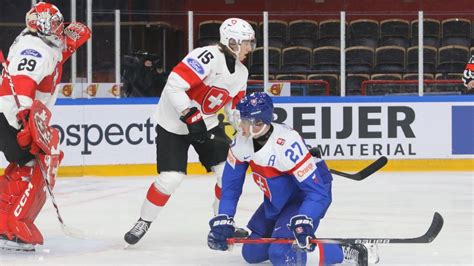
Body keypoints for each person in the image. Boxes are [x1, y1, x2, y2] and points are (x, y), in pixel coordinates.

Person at [124, 18, 256, 245]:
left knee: (227, 175)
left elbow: (233, 107)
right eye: (245, 43)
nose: (249, 48)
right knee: (170, 179)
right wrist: (189, 114)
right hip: (173, 123)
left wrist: (245, 127)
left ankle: (222, 223)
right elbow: (175, 84)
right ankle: (144, 221)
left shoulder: (241, 73)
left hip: (207, 122)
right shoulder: (207, 56)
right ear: (231, 41)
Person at [207, 92, 379, 265]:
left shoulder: (286, 144)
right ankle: (293, 241)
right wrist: (224, 218)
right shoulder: (241, 142)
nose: (240, 125)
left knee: (282, 255)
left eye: (244, 120)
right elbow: (231, 187)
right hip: (279, 198)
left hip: (305, 195)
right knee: (252, 253)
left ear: (259, 123)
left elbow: (318, 193)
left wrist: (305, 217)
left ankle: (346, 249)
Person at [0, 3, 90, 251]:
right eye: (55, 25)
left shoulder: (40, 43)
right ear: (42, 27)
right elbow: (22, 81)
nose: (60, 30)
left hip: (11, 113)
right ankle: (14, 226)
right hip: (12, 114)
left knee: (26, 165)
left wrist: (68, 46)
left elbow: (53, 59)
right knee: (35, 167)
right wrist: (24, 117)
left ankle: (5, 223)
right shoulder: (34, 48)